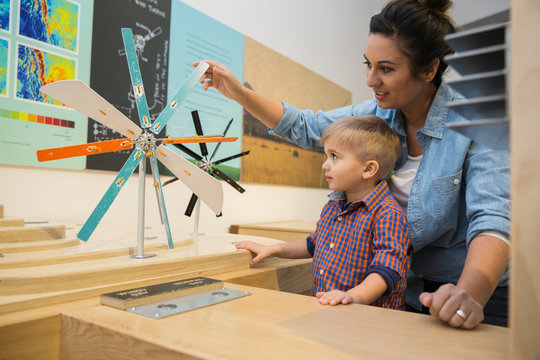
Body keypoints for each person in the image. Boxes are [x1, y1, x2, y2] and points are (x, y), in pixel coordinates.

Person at [196, 0, 510, 328]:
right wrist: (238, 93)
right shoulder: (376, 116)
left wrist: (468, 293)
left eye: (386, 69)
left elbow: (492, 220)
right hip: (409, 291)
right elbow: (304, 125)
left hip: (477, 294)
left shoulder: (479, 119)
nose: (371, 79)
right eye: (368, 64)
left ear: (429, 70)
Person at [236, 115, 411, 309]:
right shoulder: (333, 205)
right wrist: (274, 250)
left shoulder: (387, 214)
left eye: (334, 156)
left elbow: (387, 270)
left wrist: (352, 297)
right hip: (329, 311)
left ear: (368, 169)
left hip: (366, 321)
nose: (324, 165)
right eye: (326, 156)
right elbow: (314, 244)